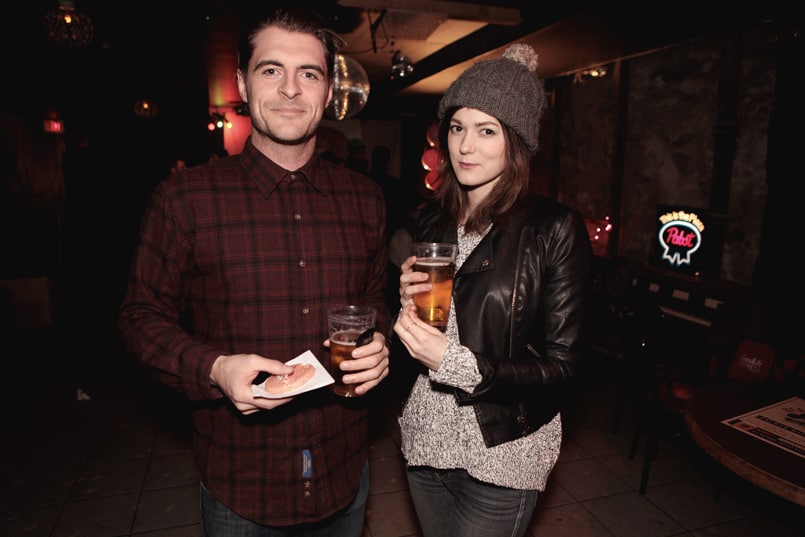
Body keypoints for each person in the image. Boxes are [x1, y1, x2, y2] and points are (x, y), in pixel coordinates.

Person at [118, 7, 390, 536]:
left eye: (309, 73)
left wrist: (378, 342)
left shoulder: (367, 199)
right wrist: (214, 368)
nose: (290, 88)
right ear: (243, 83)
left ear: (328, 91)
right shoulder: (184, 198)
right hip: (242, 484)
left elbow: (373, 299)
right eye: (271, 70)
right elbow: (139, 317)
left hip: (344, 469)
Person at [391, 44, 593, 537]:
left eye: (486, 131)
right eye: (457, 127)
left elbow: (564, 370)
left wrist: (454, 363)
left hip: (504, 452)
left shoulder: (553, 228)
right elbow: (432, 328)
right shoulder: (433, 219)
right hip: (426, 440)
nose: (465, 146)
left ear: (516, 142)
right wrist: (407, 304)